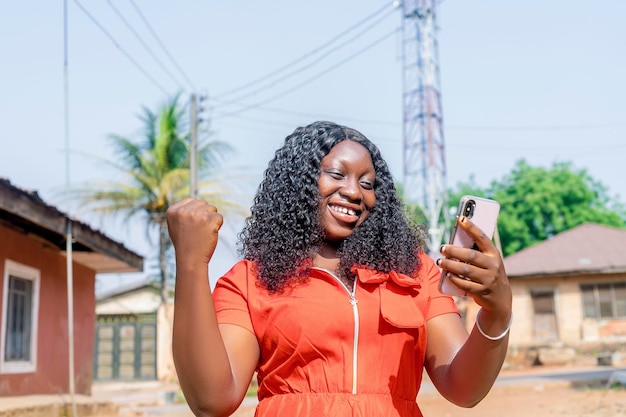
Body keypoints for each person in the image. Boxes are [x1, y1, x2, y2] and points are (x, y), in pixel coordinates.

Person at [166, 121, 513, 417]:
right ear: (298, 183)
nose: (353, 191)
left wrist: (497, 313)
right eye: (336, 174)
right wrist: (191, 262)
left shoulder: (414, 272)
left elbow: (463, 388)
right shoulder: (249, 280)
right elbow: (212, 400)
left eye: (367, 183)